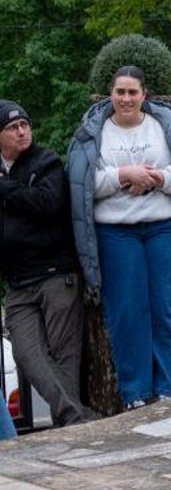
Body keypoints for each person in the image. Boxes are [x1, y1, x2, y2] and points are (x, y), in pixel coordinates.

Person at [67, 67, 171, 410]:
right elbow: (81, 185)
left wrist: (157, 178)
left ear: (145, 94)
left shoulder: (168, 127)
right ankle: (135, 393)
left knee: (167, 309)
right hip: (116, 232)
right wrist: (122, 176)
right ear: (109, 95)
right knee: (127, 313)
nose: (126, 99)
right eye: (120, 92)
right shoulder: (92, 134)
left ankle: (168, 387)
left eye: (133, 92)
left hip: (164, 227)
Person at [1, 100, 95, 425]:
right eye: (13, 127)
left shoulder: (46, 160)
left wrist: (3, 190)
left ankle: (70, 429)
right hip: (17, 282)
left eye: (25, 124)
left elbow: (47, 202)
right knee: (26, 356)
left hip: (56, 274)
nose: (22, 131)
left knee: (64, 356)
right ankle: (77, 417)